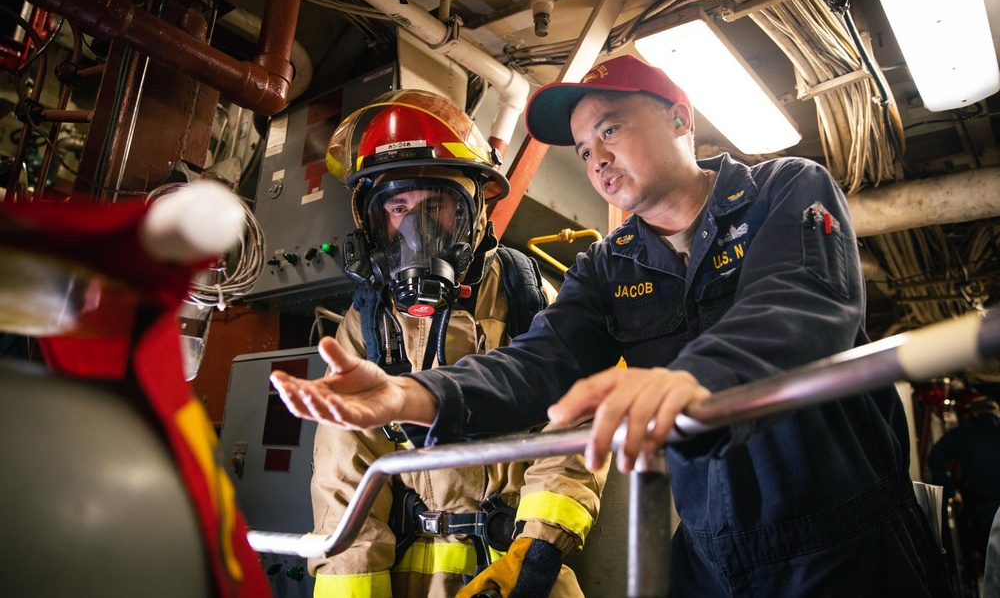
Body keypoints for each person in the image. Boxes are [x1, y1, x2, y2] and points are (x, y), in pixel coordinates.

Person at [273, 55, 951, 597]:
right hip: (715, 555)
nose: (593, 157)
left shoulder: (785, 190)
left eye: (610, 128)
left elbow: (800, 304)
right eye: (582, 145)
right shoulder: (608, 264)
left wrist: (690, 379)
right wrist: (418, 397)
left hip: (846, 539)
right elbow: (539, 361)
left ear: (680, 117)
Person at [308, 89, 606, 597]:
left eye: (437, 204)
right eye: (399, 206)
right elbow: (345, 479)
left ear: (476, 211)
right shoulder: (367, 324)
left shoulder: (531, 299)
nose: (417, 228)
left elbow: (575, 432)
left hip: (518, 570)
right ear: (375, 222)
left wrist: (536, 553)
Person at [929, 396, 1000, 583]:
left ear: (974, 413)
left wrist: (952, 491)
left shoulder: (962, 433)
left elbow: (936, 458)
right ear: (997, 412)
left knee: (993, 560)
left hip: (983, 506)